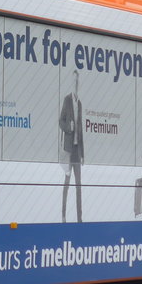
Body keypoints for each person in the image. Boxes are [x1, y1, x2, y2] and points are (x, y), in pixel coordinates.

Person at [59, 70, 84, 223]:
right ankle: (63, 215)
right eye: (73, 80)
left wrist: (83, 155)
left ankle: (79, 218)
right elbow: (60, 121)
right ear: (71, 82)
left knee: (79, 185)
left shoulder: (79, 103)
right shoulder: (67, 100)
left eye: (77, 81)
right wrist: (69, 126)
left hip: (77, 150)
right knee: (67, 184)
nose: (75, 83)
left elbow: (81, 131)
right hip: (68, 150)